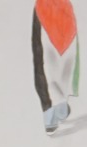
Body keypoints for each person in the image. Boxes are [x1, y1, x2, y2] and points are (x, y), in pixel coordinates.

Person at [31, 0, 80, 134]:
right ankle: (60, 107)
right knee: (65, 61)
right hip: (63, 11)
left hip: (46, 10)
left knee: (45, 63)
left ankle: (52, 112)